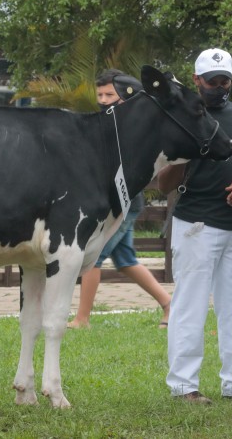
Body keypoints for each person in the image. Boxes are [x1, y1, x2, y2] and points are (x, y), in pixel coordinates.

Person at [158, 48, 232, 404]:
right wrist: (186, 152)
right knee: (191, 306)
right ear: (196, 81)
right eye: (212, 82)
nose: (220, 88)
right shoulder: (181, 118)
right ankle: (184, 385)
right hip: (196, 225)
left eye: (225, 81)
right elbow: (162, 183)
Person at [67, 69, 172, 329]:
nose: (102, 100)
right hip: (117, 203)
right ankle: (169, 304)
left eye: (109, 95)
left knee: (93, 257)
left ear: (126, 99)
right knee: (126, 261)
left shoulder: (129, 128)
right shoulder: (108, 123)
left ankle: (82, 319)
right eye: (100, 94)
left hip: (125, 205)